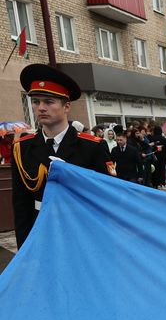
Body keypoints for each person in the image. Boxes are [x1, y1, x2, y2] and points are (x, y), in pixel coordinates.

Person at [11, 64, 111, 247]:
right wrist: (24, 250)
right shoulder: (22, 148)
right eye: (36, 101)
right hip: (40, 234)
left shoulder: (92, 147)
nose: (41, 108)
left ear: (66, 106)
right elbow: (21, 204)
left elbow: (105, 199)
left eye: (49, 102)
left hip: (81, 234)